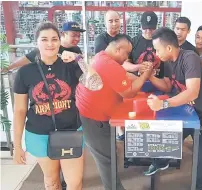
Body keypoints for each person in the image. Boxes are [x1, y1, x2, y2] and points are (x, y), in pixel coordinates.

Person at [144, 27, 202, 190]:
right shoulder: (168, 62)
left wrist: (163, 104)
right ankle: (161, 162)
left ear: (169, 48)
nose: (157, 54)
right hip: (190, 111)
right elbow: (166, 86)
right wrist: (149, 75)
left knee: (201, 157)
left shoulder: (190, 58)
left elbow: (192, 92)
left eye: (158, 50)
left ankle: (200, 187)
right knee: (168, 139)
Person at [76, 35, 153, 190]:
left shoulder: (102, 56)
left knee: (109, 155)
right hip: (93, 118)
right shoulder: (108, 64)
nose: (127, 58)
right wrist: (146, 74)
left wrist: (140, 73)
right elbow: (129, 93)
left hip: (94, 114)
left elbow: (124, 76)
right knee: (106, 160)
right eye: (126, 54)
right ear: (118, 49)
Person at [13, 22, 84, 190]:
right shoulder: (25, 72)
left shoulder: (72, 66)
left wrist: (79, 59)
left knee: (74, 183)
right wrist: (17, 146)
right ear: (36, 42)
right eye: (44, 39)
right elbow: (20, 110)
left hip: (70, 131)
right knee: (51, 181)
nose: (50, 44)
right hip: (39, 134)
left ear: (60, 41)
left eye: (54, 39)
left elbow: (96, 84)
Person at [95, 10, 131, 141]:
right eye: (110, 21)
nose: (114, 24)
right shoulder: (101, 39)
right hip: (106, 82)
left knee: (122, 104)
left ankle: (121, 130)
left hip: (122, 77)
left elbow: (127, 61)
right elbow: (107, 65)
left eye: (116, 20)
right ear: (105, 23)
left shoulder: (124, 38)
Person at [2, 21, 85, 72]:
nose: (77, 38)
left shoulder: (76, 49)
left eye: (79, 35)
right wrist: (8, 68)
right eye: (73, 35)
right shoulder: (49, 48)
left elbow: (82, 69)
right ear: (63, 34)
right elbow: (27, 58)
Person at [123, 11, 163, 78]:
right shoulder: (133, 42)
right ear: (141, 26)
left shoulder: (162, 42)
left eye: (151, 28)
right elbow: (123, 63)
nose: (148, 31)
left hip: (158, 81)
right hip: (137, 80)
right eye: (145, 28)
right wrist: (137, 67)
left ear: (156, 26)